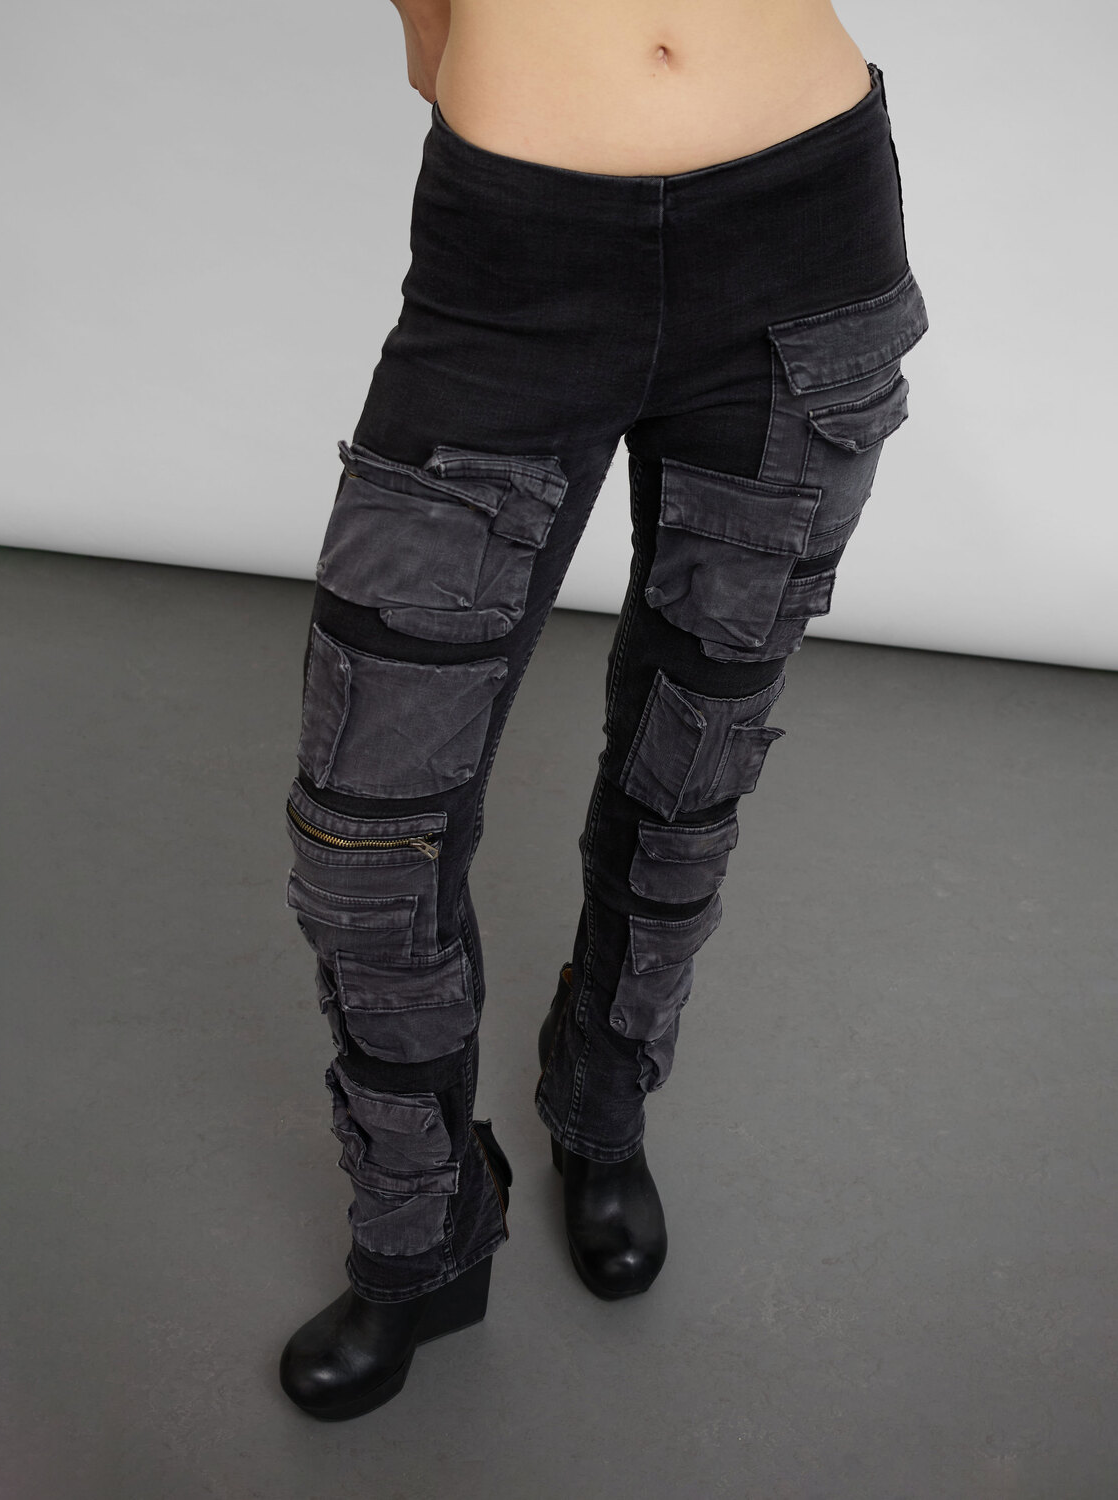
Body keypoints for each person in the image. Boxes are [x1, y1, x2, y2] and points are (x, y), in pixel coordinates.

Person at [278, 0, 929, 1422]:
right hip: (516, 257)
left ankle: (602, 1102)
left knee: (690, 765)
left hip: (801, 232)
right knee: (363, 844)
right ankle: (421, 1228)